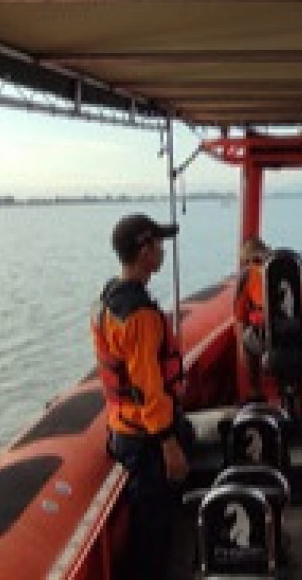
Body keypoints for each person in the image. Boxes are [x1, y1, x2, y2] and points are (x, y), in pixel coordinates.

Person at [90, 213, 190, 579]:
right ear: (144, 250)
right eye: (158, 244)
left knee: (149, 521)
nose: (163, 251)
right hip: (147, 439)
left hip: (123, 429)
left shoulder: (109, 300)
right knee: (153, 529)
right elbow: (148, 386)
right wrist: (169, 444)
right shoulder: (141, 317)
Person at [233, 236, 302, 401]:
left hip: (266, 340)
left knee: (245, 341)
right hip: (301, 337)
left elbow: (240, 315)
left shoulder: (248, 275)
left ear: (249, 260)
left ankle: (255, 392)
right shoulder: (300, 268)